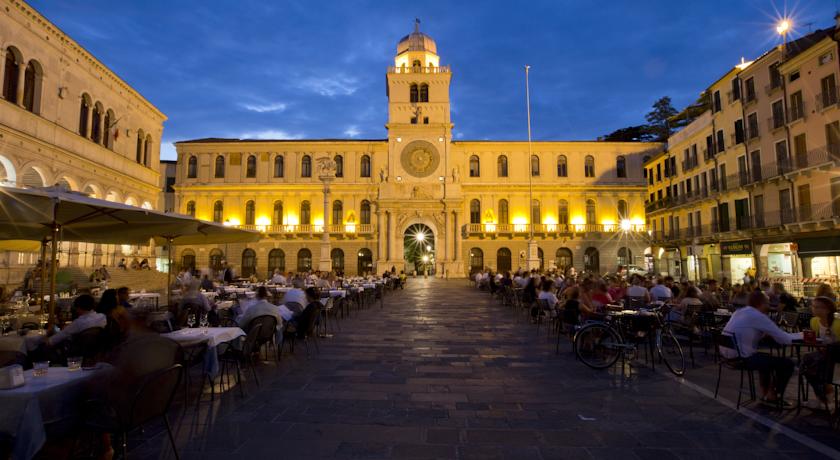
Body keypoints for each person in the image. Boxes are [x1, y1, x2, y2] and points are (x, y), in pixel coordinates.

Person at [721, 290, 802, 407]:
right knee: (787, 364)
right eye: (767, 303)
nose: (769, 306)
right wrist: (802, 335)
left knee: (766, 360)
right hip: (742, 358)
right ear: (761, 304)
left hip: (727, 356)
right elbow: (785, 339)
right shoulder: (758, 316)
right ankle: (773, 397)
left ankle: (766, 394)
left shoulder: (739, 312)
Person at [800, 296, 840, 410]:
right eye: (813, 306)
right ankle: (822, 397)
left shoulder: (837, 323)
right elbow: (816, 340)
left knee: (818, 364)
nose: (813, 309)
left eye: (817, 307)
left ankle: (827, 396)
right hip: (824, 354)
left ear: (827, 310)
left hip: (836, 354)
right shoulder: (814, 321)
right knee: (806, 362)